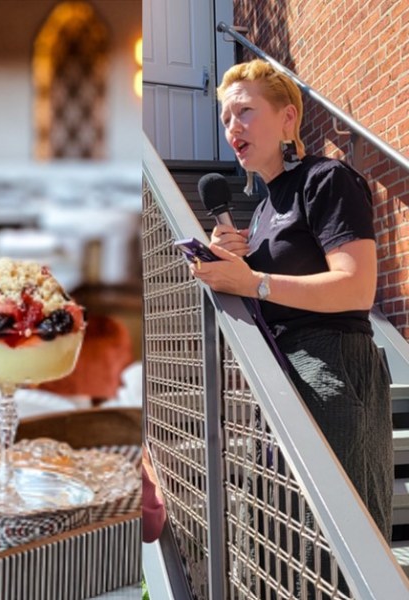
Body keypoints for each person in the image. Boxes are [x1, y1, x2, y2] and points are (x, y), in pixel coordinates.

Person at [192, 58, 392, 591]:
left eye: (246, 112)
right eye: (226, 118)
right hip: (281, 379)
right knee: (275, 546)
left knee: (335, 547)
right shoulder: (259, 212)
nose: (234, 128)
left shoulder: (326, 179)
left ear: (287, 120)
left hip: (332, 369)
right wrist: (232, 269)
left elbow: (355, 287)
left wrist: (252, 280)